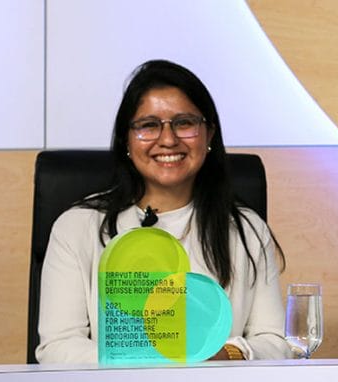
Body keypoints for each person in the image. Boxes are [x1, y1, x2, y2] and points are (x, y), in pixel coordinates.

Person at [36, 59, 291, 363]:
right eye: (148, 125)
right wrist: (149, 360)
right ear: (126, 141)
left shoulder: (246, 229)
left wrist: (227, 354)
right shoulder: (77, 226)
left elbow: (274, 342)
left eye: (184, 123)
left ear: (209, 135)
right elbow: (58, 347)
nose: (168, 139)